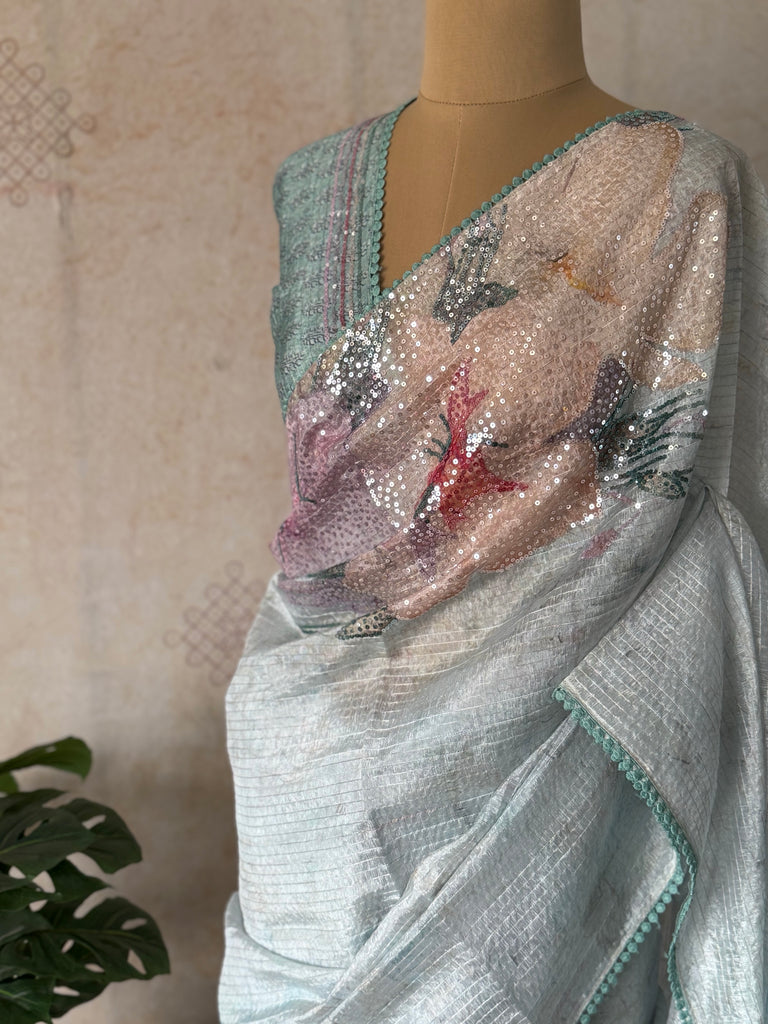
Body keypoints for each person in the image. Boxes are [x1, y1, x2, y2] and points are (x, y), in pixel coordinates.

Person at [219, 2, 768, 1021]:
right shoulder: (313, 185)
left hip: (560, 753)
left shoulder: (690, 182)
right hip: (307, 768)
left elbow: (713, 482)